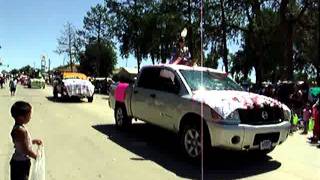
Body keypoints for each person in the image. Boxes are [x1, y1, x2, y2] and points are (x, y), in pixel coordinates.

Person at [10, 101, 43, 180]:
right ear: (21, 117)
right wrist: (36, 157)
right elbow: (25, 150)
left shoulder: (19, 128)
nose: (30, 117)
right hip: (20, 163)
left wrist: (33, 141)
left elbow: (21, 144)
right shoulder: (20, 131)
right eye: (29, 115)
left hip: (19, 162)